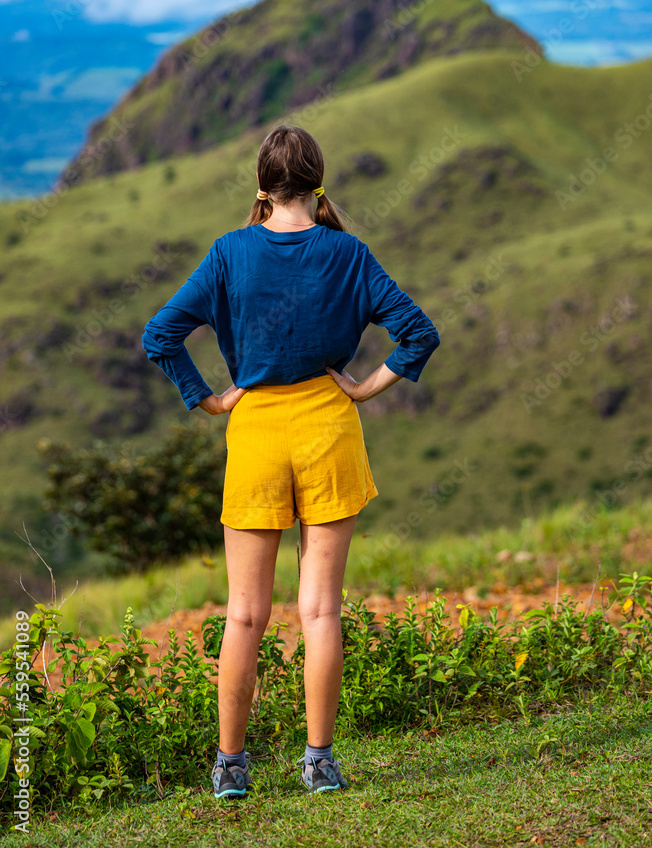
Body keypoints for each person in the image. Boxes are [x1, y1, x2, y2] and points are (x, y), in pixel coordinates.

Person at [141, 124, 440, 798]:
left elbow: (159, 334)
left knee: (245, 615)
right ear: (317, 182)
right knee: (320, 613)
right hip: (329, 432)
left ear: (261, 186)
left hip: (253, 434)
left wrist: (208, 401)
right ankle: (318, 762)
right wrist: (364, 387)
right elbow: (419, 332)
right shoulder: (348, 253)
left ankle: (230, 767)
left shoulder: (229, 252)